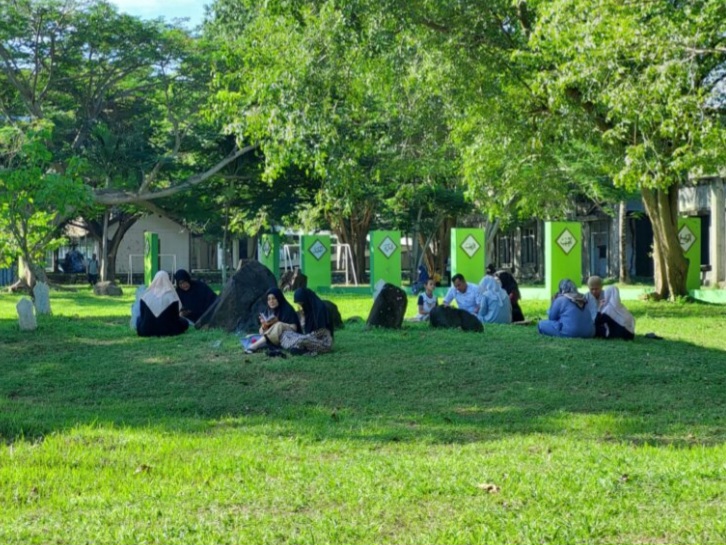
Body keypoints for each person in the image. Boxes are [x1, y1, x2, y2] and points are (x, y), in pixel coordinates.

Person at [279, 288, 334, 355]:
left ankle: (304, 349)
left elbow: (322, 331)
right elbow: (304, 330)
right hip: (308, 337)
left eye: (301, 303)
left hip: (321, 339)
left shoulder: (320, 309)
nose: (301, 305)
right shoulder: (307, 310)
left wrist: (306, 336)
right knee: (286, 334)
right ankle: (300, 347)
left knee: (302, 341)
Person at [246, 288, 301, 353]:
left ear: (279, 298)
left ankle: (255, 346)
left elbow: (294, 328)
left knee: (279, 325)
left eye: (274, 298)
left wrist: (277, 323)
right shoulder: (268, 310)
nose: (271, 301)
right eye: (269, 299)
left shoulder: (287, 309)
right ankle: (261, 344)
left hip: (288, 335)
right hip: (273, 336)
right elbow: (262, 333)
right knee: (248, 336)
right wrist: (264, 325)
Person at [136, 271, 189, 337]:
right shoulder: (171, 297)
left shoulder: (145, 296)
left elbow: (143, 316)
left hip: (146, 331)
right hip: (169, 330)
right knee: (184, 322)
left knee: (138, 319)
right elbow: (176, 317)